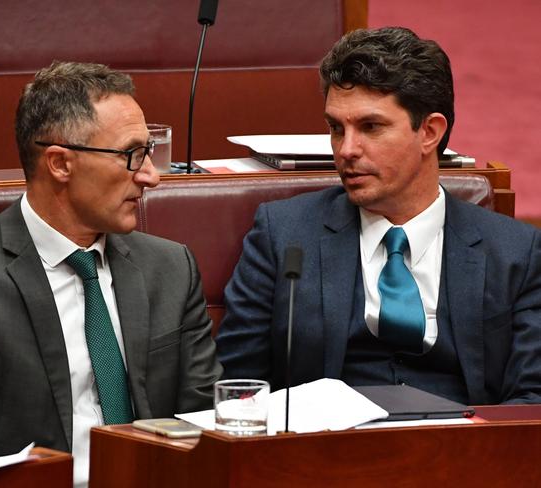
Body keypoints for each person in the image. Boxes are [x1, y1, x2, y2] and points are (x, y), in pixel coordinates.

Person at [0, 61, 222, 487]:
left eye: (149, 152)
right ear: (60, 164)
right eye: (130, 155)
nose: (150, 176)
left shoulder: (170, 267)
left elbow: (204, 420)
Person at [216, 27, 541, 405]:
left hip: (460, 451)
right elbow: (239, 389)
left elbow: (533, 397)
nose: (346, 150)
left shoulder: (515, 251)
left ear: (430, 132)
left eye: (371, 127)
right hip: (321, 451)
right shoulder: (283, 234)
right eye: (337, 129)